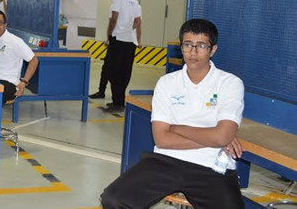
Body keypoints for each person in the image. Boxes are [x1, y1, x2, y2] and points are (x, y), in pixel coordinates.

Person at [100, 19, 245, 209]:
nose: (193, 52)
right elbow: (162, 139)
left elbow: (222, 136)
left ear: (213, 50)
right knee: (113, 199)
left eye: (201, 46)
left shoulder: (230, 83)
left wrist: (176, 128)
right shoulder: (167, 83)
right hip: (166, 161)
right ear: (181, 47)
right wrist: (215, 138)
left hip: (212, 167)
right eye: (188, 45)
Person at [90, 0, 142, 113]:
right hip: (130, 42)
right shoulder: (135, 2)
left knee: (113, 71)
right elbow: (138, 21)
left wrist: (109, 33)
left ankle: (117, 103)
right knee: (125, 72)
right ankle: (119, 101)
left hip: (118, 39)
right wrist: (130, 30)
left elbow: (114, 18)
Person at [0, 10, 39, 102]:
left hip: (9, 82)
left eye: (0, 23)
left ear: (5, 25)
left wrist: (24, 82)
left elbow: (34, 61)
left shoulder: (15, 41)